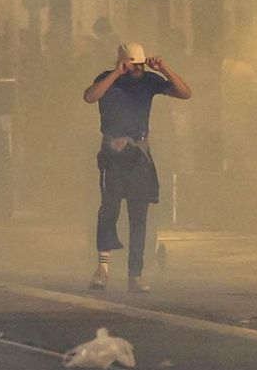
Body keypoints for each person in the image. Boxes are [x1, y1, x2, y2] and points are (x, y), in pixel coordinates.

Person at [82, 42, 192, 293]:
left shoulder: (149, 81)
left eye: (140, 65)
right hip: (113, 155)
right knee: (108, 209)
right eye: (133, 65)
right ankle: (103, 268)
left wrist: (165, 69)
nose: (137, 70)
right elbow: (90, 96)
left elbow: (185, 93)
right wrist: (116, 74)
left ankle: (136, 272)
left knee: (139, 216)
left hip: (138, 156)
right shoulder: (108, 80)